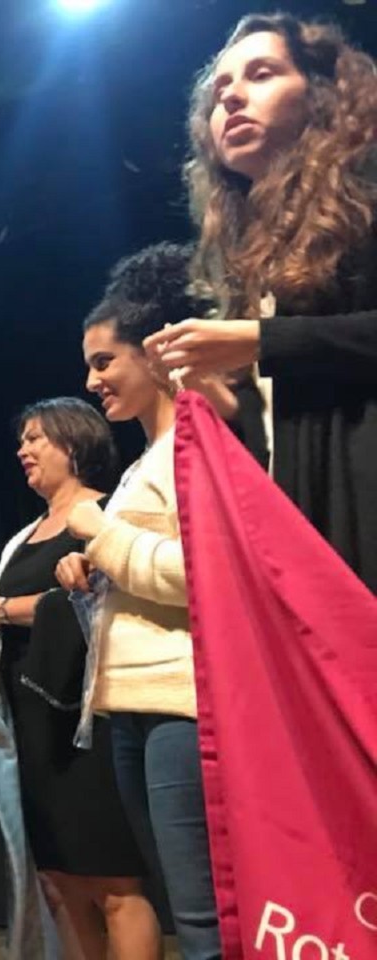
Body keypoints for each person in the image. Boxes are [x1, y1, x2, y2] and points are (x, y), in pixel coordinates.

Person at [145, 13, 377, 592]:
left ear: (320, 94)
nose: (232, 98)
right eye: (219, 92)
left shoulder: (367, 185)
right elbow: (283, 425)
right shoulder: (258, 247)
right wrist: (223, 397)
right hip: (316, 525)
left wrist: (258, 341)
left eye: (262, 73)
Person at [57, 243, 223, 959]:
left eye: (104, 362)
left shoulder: (196, 443)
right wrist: (94, 565)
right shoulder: (142, 466)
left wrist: (101, 534)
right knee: (188, 913)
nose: (91, 381)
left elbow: (207, 576)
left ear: (154, 354)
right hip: (132, 709)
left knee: (207, 921)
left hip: (182, 704)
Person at [0, 398, 157, 960]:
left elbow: (99, 597)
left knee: (114, 885)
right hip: (33, 725)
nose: (22, 450)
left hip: (89, 723)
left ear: (72, 441)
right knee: (59, 882)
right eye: (21, 441)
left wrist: (4, 610)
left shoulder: (105, 514)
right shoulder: (24, 535)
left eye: (35, 439)